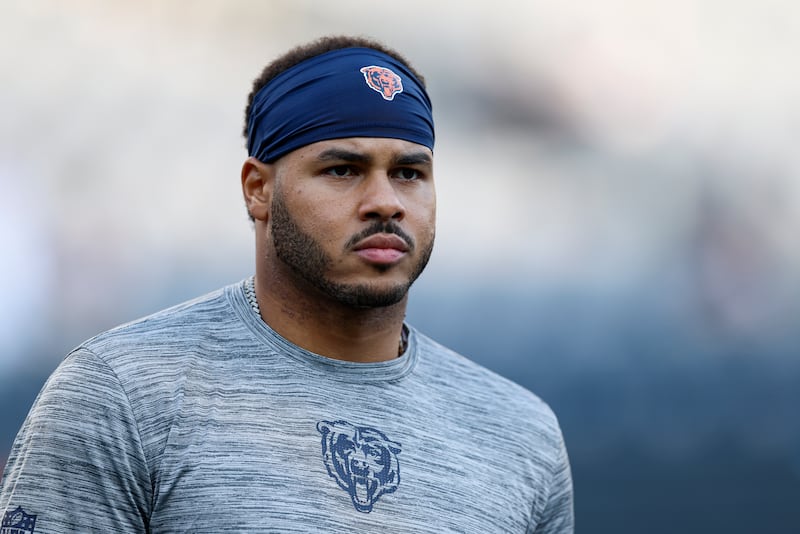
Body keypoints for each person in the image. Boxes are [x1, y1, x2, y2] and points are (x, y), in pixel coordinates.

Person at [0, 35, 573, 533]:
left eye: (409, 173)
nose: (385, 202)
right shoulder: (122, 391)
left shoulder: (519, 431)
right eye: (342, 170)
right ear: (258, 189)